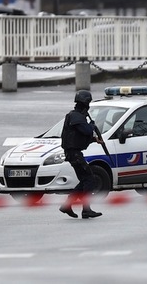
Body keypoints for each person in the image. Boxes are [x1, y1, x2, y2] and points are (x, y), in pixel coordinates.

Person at [58, 90, 103, 219]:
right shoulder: (76, 117)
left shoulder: (76, 116)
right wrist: (92, 125)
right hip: (74, 154)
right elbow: (86, 130)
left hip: (74, 153)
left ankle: (68, 205)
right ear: (85, 104)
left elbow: (78, 136)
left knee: (85, 180)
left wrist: (95, 140)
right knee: (90, 179)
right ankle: (86, 209)